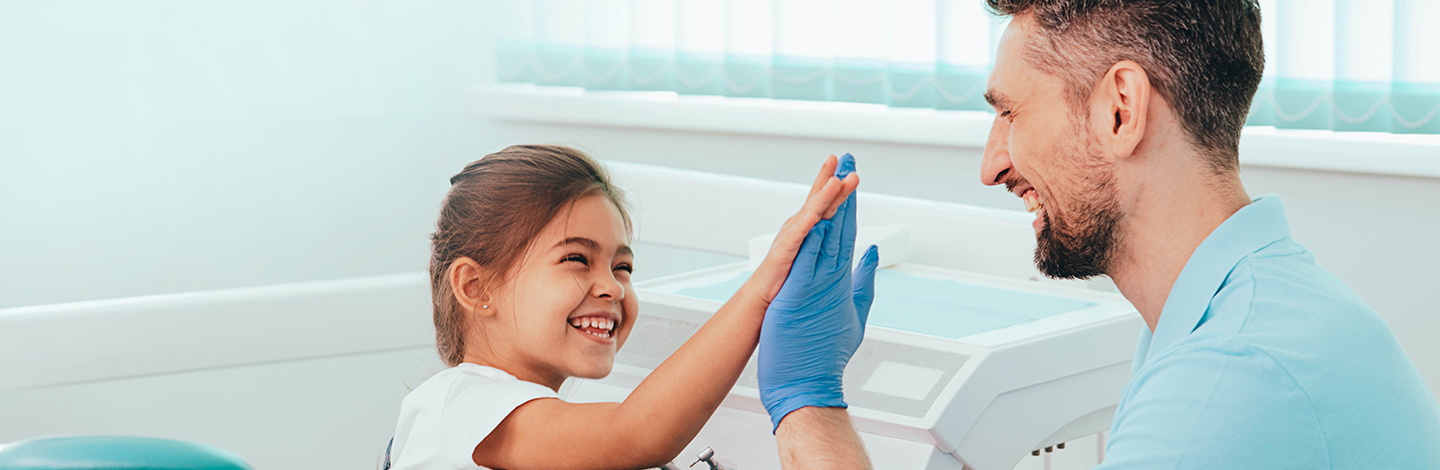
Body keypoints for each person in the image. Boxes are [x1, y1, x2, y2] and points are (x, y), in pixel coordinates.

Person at [757, 1, 1440, 469]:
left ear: (1121, 109)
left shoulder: (1233, 376)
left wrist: (809, 403)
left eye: (1011, 113)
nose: (991, 165)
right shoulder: (1240, 313)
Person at [386, 145, 871, 469]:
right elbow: (637, 431)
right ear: (475, 287)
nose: (613, 288)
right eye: (577, 259)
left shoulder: (540, 424)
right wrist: (763, 289)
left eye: (624, 267)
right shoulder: (459, 404)